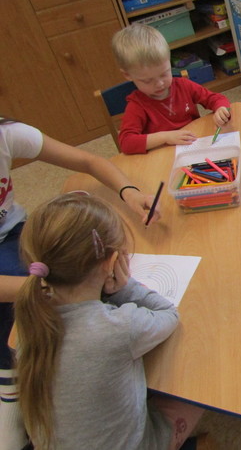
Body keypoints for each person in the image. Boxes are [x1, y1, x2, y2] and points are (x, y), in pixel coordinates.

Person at [0, 117, 158, 449]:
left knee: (70, 240)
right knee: (19, 322)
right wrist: (52, 286)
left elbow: (88, 160)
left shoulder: (7, 134)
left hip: (13, 231)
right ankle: (9, 384)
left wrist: (129, 192)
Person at [14, 193, 204, 449]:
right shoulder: (119, 327)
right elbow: (168, 316)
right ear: (113, 262)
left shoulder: (30, 319)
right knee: (197, 387)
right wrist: (125, 288)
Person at [112, 23, 232, 155]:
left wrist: (221, 108)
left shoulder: (183, 86)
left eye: (164, 74)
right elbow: (126, 143)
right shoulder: (137, 105)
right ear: (128, 75)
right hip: (161, 155)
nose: (159, 84)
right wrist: (165, 137)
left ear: (169, 62)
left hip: (192, 148)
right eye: (147, 80)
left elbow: (215, 98)